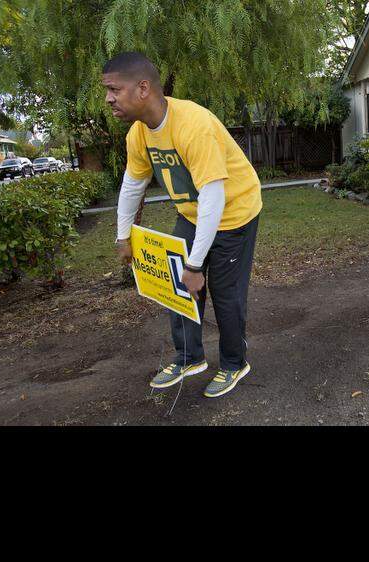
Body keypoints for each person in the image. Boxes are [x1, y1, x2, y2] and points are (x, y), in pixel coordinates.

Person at [103, 51, 262, 398]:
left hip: (235, 213)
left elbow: (214, 197)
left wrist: (194, 264)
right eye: (107, 90)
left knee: (225, 293)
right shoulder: (139, 134)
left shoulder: (193, 124)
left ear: (143, 88)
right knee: (179, 285)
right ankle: (190, 357)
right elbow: (132, 185)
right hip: (194, 214)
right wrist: (122, 237)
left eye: (115, 89)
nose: (108, 98)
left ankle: (235, 363)